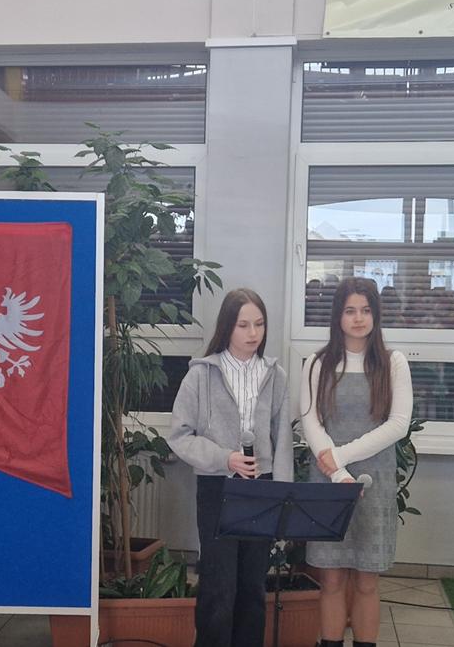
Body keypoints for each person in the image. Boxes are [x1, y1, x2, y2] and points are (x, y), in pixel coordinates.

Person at [166, 288, 293, 647]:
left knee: (253, 586)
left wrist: (283, 496)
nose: (253, 333)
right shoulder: (201, 375)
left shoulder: (275, 375)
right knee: (219, 586)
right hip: (217, 488)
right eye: (243, 325)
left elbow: (283, 439)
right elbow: (179, 436)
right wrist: (225, 458)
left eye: (259, 324)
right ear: (227, 327)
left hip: (261, 488)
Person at [300, 277, 413, 647]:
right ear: (338, 316)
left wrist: (340, 458)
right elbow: (311, 422)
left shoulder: (393, 363)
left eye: (365, 310)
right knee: (331, 579)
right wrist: (338, 475)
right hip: (329, 485)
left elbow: (398, 425)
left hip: (374, 485)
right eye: (350, 311)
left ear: (376, 315)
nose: (358, 318)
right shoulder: (318, 363)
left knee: (367, 580)